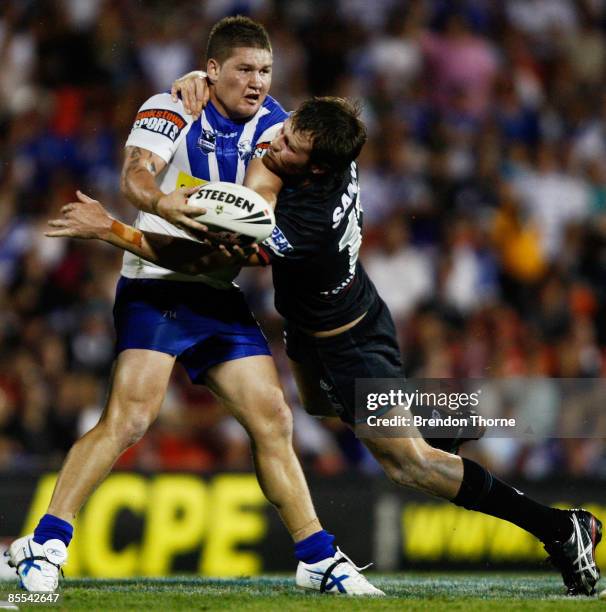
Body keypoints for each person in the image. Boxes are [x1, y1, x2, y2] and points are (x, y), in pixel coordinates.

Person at [47, 96, 602, 597]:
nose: (276, 140)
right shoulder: (326, 137)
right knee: (315, 405)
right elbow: (262, 144)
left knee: (409, 466)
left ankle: (558, 527)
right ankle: (435, 417)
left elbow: (207, 262)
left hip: (349, 342)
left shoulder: (304, 221)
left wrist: (112, 231)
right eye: (285, 129)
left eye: (289, 144)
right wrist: (197, 83)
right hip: (321, 326)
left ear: (315, 167)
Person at [9, 17, 382, 596]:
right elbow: (135, 176)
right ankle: (48, 543)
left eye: (265, 71)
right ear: (212, 70)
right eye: (244, 70)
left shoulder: (278, 131)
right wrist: (162, 202)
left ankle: (316, 556)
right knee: (131, 417)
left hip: (212, 287)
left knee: (273, 418)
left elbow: (282, 185)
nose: (257, 82)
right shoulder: (171, 105)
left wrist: (246, 227)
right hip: (154, 279)